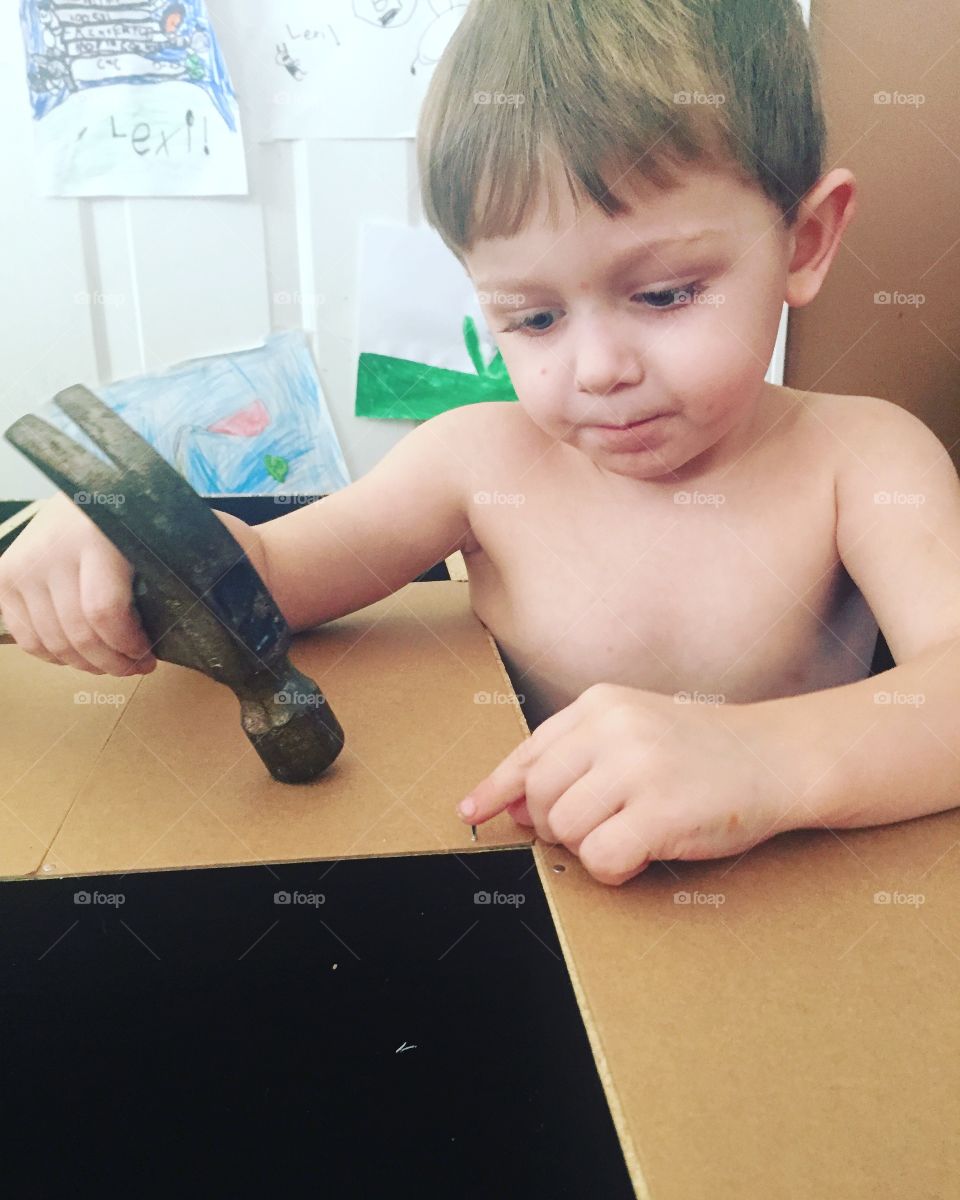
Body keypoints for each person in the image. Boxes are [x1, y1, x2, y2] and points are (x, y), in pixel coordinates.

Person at [3, 0, 959, 886]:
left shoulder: (866, 459)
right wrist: (120, 533)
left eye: (664, 294)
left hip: (790, 930)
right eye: (534, 318)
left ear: (804, 241)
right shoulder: (474, 462)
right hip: (541, 911)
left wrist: (766, 760)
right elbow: (260, 583)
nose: (596, 369)